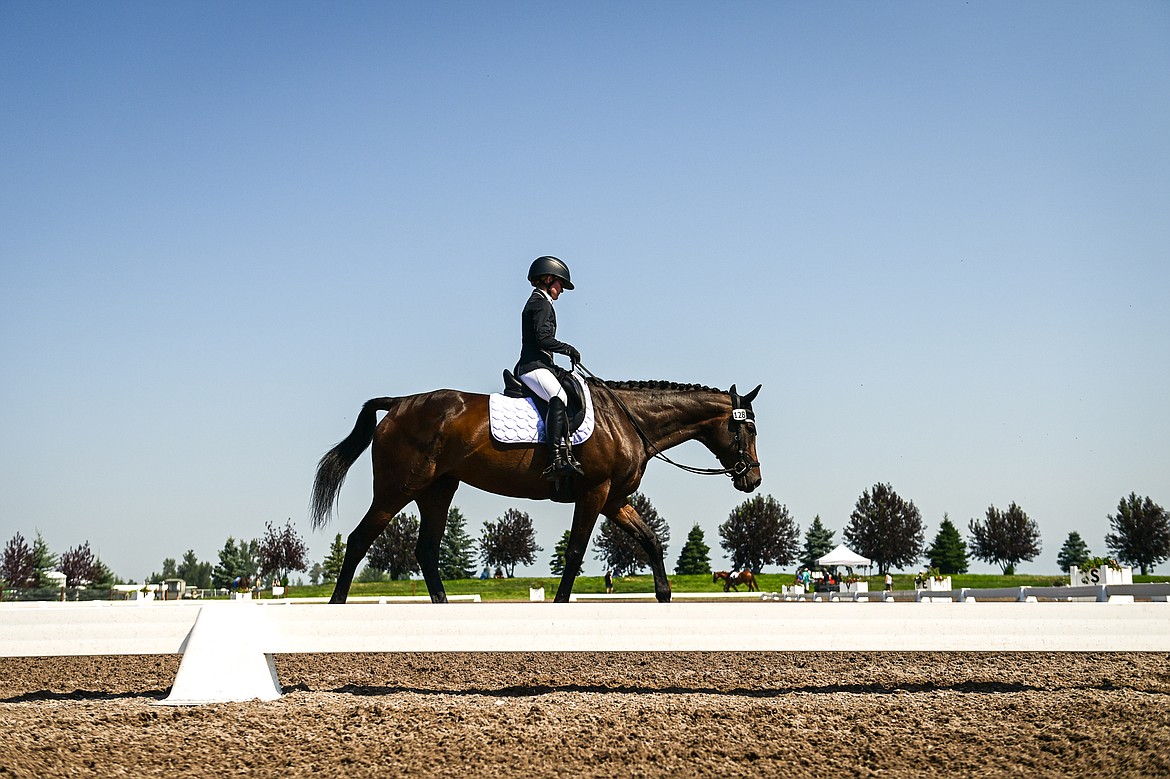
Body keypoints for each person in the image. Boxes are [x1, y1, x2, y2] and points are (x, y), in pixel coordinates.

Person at [516, 255, 584, 480]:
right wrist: (568, 349)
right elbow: (544, 340)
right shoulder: (540, 303)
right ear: (547, 279)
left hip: (541, 365)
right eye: (560, 284)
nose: (562, 289)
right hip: (532, 366)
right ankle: (555, 459)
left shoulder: (540, 301)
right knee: (559, 396)